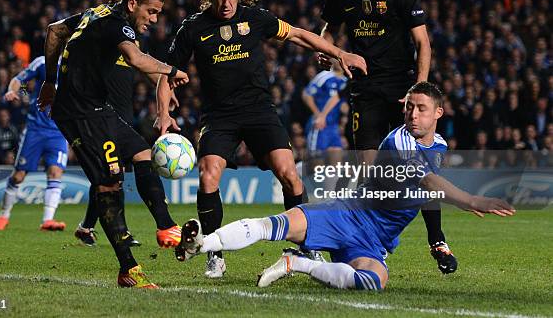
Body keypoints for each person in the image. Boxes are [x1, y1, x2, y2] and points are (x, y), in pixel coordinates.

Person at [175, 82, 515, 290]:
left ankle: (297, 264)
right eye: (409, 107)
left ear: (438, 113)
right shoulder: (399, 140)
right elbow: (426, 181)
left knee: (374, 282)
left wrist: (437, 239)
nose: (412, 114)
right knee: (275, 226)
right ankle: (203, 244)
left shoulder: (438, 146)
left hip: (375, 241)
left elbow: (426, 193)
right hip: (346, 213)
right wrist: (469, 199)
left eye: (421, 109)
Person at [156, 0, 367, 278]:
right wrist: (163, 113)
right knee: (208, 175)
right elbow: (165, 73)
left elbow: (298, 34)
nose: (226, 3)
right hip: (219, 116)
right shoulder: (193, 28)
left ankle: (307, 247)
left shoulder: (256, 19)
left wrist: (340, 53)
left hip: (259, 111)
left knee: (290, 175)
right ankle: (214, 251)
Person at [37, 0, 189, 288]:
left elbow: (54, 31)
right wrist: (173, 70)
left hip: (97, 108)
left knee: (143, 152)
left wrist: (51, 81)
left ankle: (165, 225)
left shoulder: (96, 14)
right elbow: (135, 58)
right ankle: (129, 269)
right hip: (80, 113)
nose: (155, 20)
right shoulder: (119, 24)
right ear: (133, 5)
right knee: (109, 185)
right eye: (152, 12)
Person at [319, 0, 455, 273]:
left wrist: (419, 90)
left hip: (401, 94)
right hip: (364, 93)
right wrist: (332, 54)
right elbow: (327, 34)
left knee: (422, 169)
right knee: (369, 168)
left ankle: (437, 239)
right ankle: (365, 240)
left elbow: (423, 43)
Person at [73, 0, 182, 249]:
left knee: (115, 173)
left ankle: (88, 227)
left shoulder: (131, 40)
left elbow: (146, 66)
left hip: (123, 113)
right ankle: (155, 227)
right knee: (115, 174)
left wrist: (165, 91)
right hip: (100, 112)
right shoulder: (107, 32)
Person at [0, 56, 68, 231]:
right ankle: (4, 215)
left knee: (55, 172)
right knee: (18, 176)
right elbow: (19, 79)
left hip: (59, 131)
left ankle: (48, 220)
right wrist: (12, 91)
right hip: (35, 129)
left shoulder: (76, 64)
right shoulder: (43, 62)